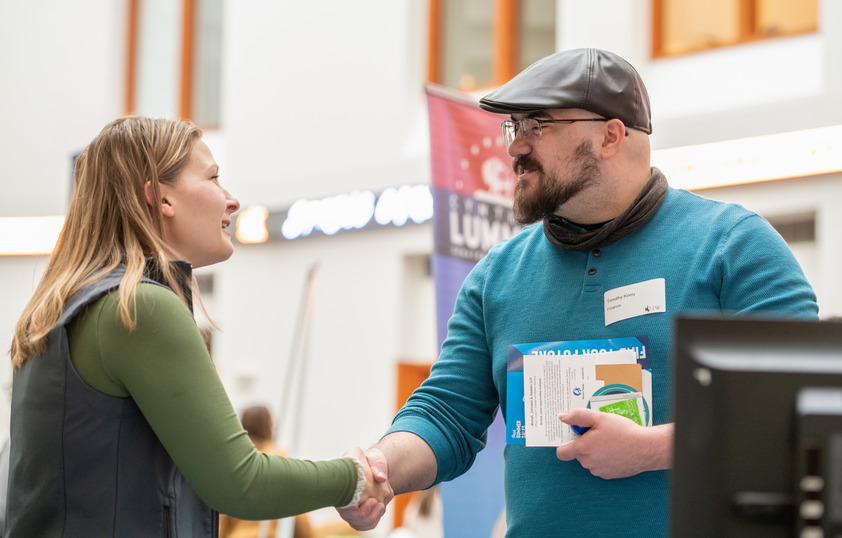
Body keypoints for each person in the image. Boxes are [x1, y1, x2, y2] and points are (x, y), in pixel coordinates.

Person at [337, 48, 819, 536]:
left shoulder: (733, 246)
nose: (515, 147)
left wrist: (651, 449)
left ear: (610, 135)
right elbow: (445, 414)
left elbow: (801, 410)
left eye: (538, 125)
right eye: (514, 127)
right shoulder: (496, 277)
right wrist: (378, 467)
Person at [5, 116, 391, 537]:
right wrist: (352, 478)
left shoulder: (61, 310)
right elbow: (242, 482)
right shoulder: (140, 307)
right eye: (214, 178)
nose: (232, 200)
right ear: (161, 198)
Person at [219, 405, 313, 538]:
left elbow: (221, 516)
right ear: (269, 426)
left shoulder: (233, 462)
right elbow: (298, 513)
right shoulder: (280, 458)